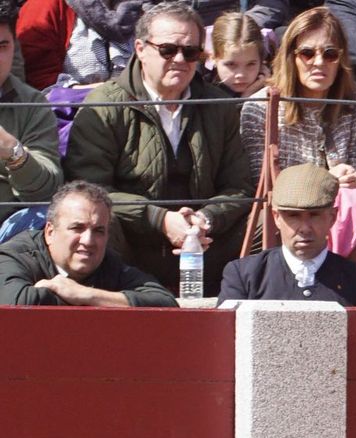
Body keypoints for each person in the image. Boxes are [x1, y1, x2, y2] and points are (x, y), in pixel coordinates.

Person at [64, 1, 254, 294]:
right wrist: (160, 219)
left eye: (190, 52)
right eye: (168, 49)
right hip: (129, 247)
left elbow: (239, 187)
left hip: (205, 242)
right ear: (140, 49)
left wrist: (206, 219)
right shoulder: (104, 105)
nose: (180, 59)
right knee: (95, 219)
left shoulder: (220, 106)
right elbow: (89, 188)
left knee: (269, 221)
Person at [243, 8, 356, 191]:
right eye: (307, 53)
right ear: (291, 57)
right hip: (283, 215)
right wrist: (324, 183)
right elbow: (261, 186)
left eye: (330, 54)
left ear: (341, 59)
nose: (319, 62)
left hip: (346, 212)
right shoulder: (260, 107)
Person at [218, 162, 356, 304]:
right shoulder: (245, 275)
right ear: (277, 217)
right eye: (293, 216)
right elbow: (225, 338)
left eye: (314, 215)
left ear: (332, 217)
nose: (305, 228)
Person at [0, 180, 176, 304]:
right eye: (77, 228)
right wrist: (111, 301)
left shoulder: (108, 263)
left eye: (99, 231)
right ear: (50, 232)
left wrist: (85, 294)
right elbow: (15, 302)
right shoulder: (13, 256)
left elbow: (164, 302)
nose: (89, 240)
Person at [0, 0, 64, 242]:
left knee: (50, 217)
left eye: (2, 46)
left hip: (8, 229)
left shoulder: (32, 104)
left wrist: (15, 154)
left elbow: (49, 189)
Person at [208, 11, 268, 96]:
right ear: (213, 58)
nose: (241, 74)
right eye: (231, 64)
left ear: (261, 61)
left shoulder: (273, 89)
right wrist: (247, 96)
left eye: (251, 64)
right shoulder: (201, 90)